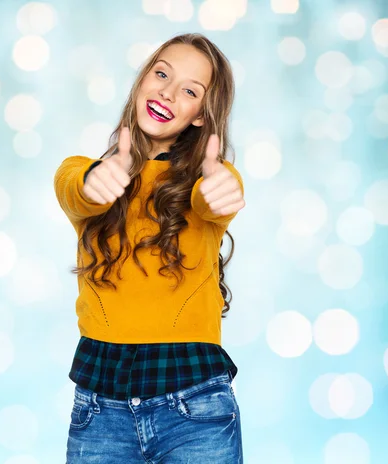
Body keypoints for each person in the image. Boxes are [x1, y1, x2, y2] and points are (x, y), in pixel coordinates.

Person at [54, 32, 245, 463]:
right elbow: (74, 188)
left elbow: (212, 196)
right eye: (161, 74)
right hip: (101, 410)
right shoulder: (86, 173)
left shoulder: (208, 181)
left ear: (200, 116)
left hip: (195, 408)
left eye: (190, 91)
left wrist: (219, 189)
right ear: (142, 82)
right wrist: (94, 181)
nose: (168, 92)